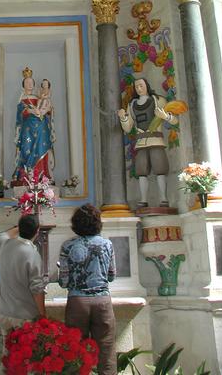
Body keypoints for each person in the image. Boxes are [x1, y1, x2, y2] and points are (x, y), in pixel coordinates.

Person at [58, 204, 116, 375]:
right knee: (106, 350)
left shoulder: (67, 246)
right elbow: (112, 275)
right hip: (102, 300)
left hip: (77, 302)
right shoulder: (107, 244)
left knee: (74, 351)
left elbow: (63, 281)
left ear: (76, 223)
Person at [117, 77, 177, 208]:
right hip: (141, 142)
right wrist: (123, 118)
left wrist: (165, 116)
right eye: (136, 87)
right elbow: (128, 128)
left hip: (156, 140)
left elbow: (174, 121)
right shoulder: (132, 105)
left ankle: (163, 198)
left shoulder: (159, 100)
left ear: (147, 85)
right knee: (141, 171)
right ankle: (143, 199)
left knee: (160, 169)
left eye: (141, 86)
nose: (139, 88)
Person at [0, 215, 46, 348]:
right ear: (37, 231)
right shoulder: (32, 254)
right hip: (25, 317)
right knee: (27, 359)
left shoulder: (4, 244)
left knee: (8, 358)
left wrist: (20, 226)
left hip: (5, 313)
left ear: (19, 228)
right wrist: (42, 315)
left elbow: (3, 234)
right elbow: (37, 289)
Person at [13, 68, 54, 182]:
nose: (30, 84)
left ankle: (42, 175)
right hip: (27, 128)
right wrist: (30, 111)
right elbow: (20, 113)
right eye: (27, 83)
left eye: (31, 82)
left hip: (42, 127)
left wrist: (46, 110)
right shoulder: (22, 100)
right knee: (26, 148)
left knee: (42, 147)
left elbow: (48, 109)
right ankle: (27, 175)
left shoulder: (39, 98)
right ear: (23, 85)